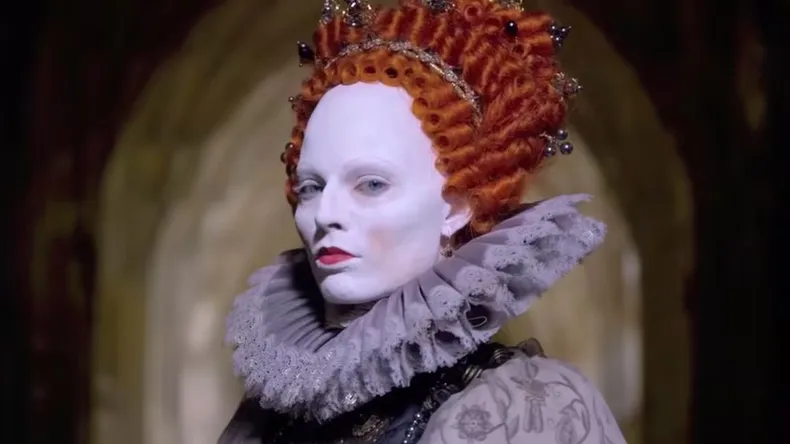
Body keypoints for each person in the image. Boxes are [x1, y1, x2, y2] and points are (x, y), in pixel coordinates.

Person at [220, 1, 626, 443]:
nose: (326, 215)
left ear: (458, 205)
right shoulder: (271, 412)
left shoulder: (522, 407)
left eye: (371, 185)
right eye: (311, 188)